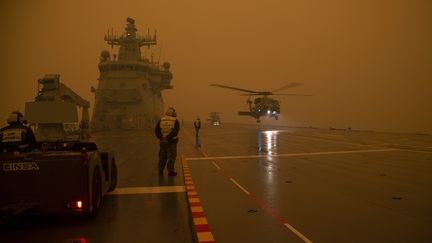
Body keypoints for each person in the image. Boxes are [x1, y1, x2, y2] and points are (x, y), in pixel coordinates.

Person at [155, 107, 180, 176]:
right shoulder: (175, 121)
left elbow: (157, 130)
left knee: (162, 157)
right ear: (173, 113)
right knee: (171, 157)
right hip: (171, 142)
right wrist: (168, 137)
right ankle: (170, 171)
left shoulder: (161, 120)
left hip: (162, 142)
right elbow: (175, 132)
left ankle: (160, 170)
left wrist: (161, 137)